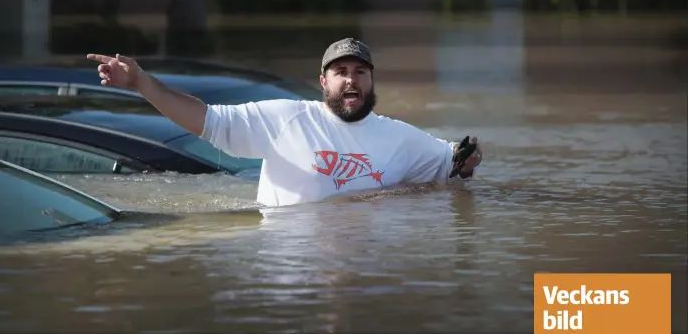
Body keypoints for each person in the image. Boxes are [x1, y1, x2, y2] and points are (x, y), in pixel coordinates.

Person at [87, 38, 483, 207]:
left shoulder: (397, 136)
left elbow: (454, 162)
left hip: (365, 272)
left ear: (371, 81)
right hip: (290, 270)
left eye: (360, 71)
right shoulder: (285, 118)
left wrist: (469, 157)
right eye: (341, 71)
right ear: (324, 80)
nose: (351, 79)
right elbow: (204, 120)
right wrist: (141, 82)